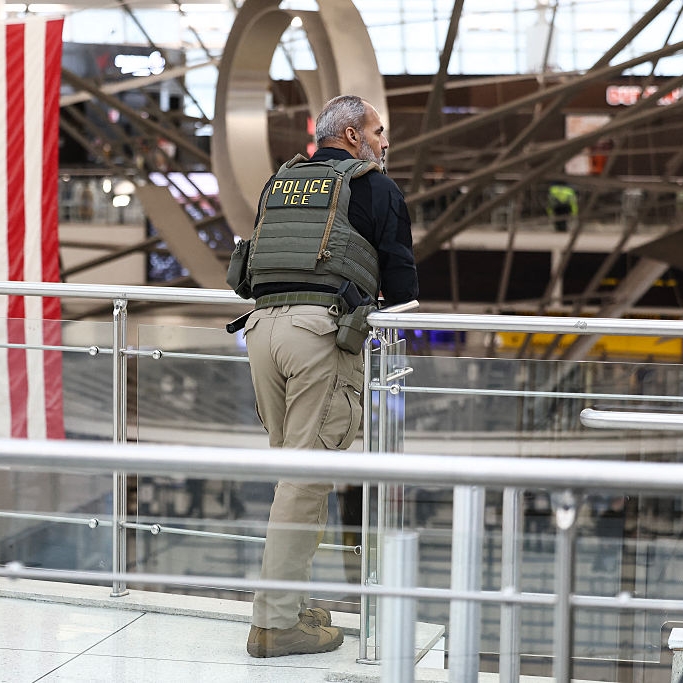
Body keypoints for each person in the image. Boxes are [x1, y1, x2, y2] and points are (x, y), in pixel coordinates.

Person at [229, 94, 418, 658]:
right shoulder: (378, 188)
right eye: (380, 132)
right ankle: (274, 623)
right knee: (306, 480)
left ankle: (291, 607)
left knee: (294, 476)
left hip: (260, 329)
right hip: (320, 335)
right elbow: (404, 292)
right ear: (355, 137)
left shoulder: (281, 181)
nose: (386, 143)